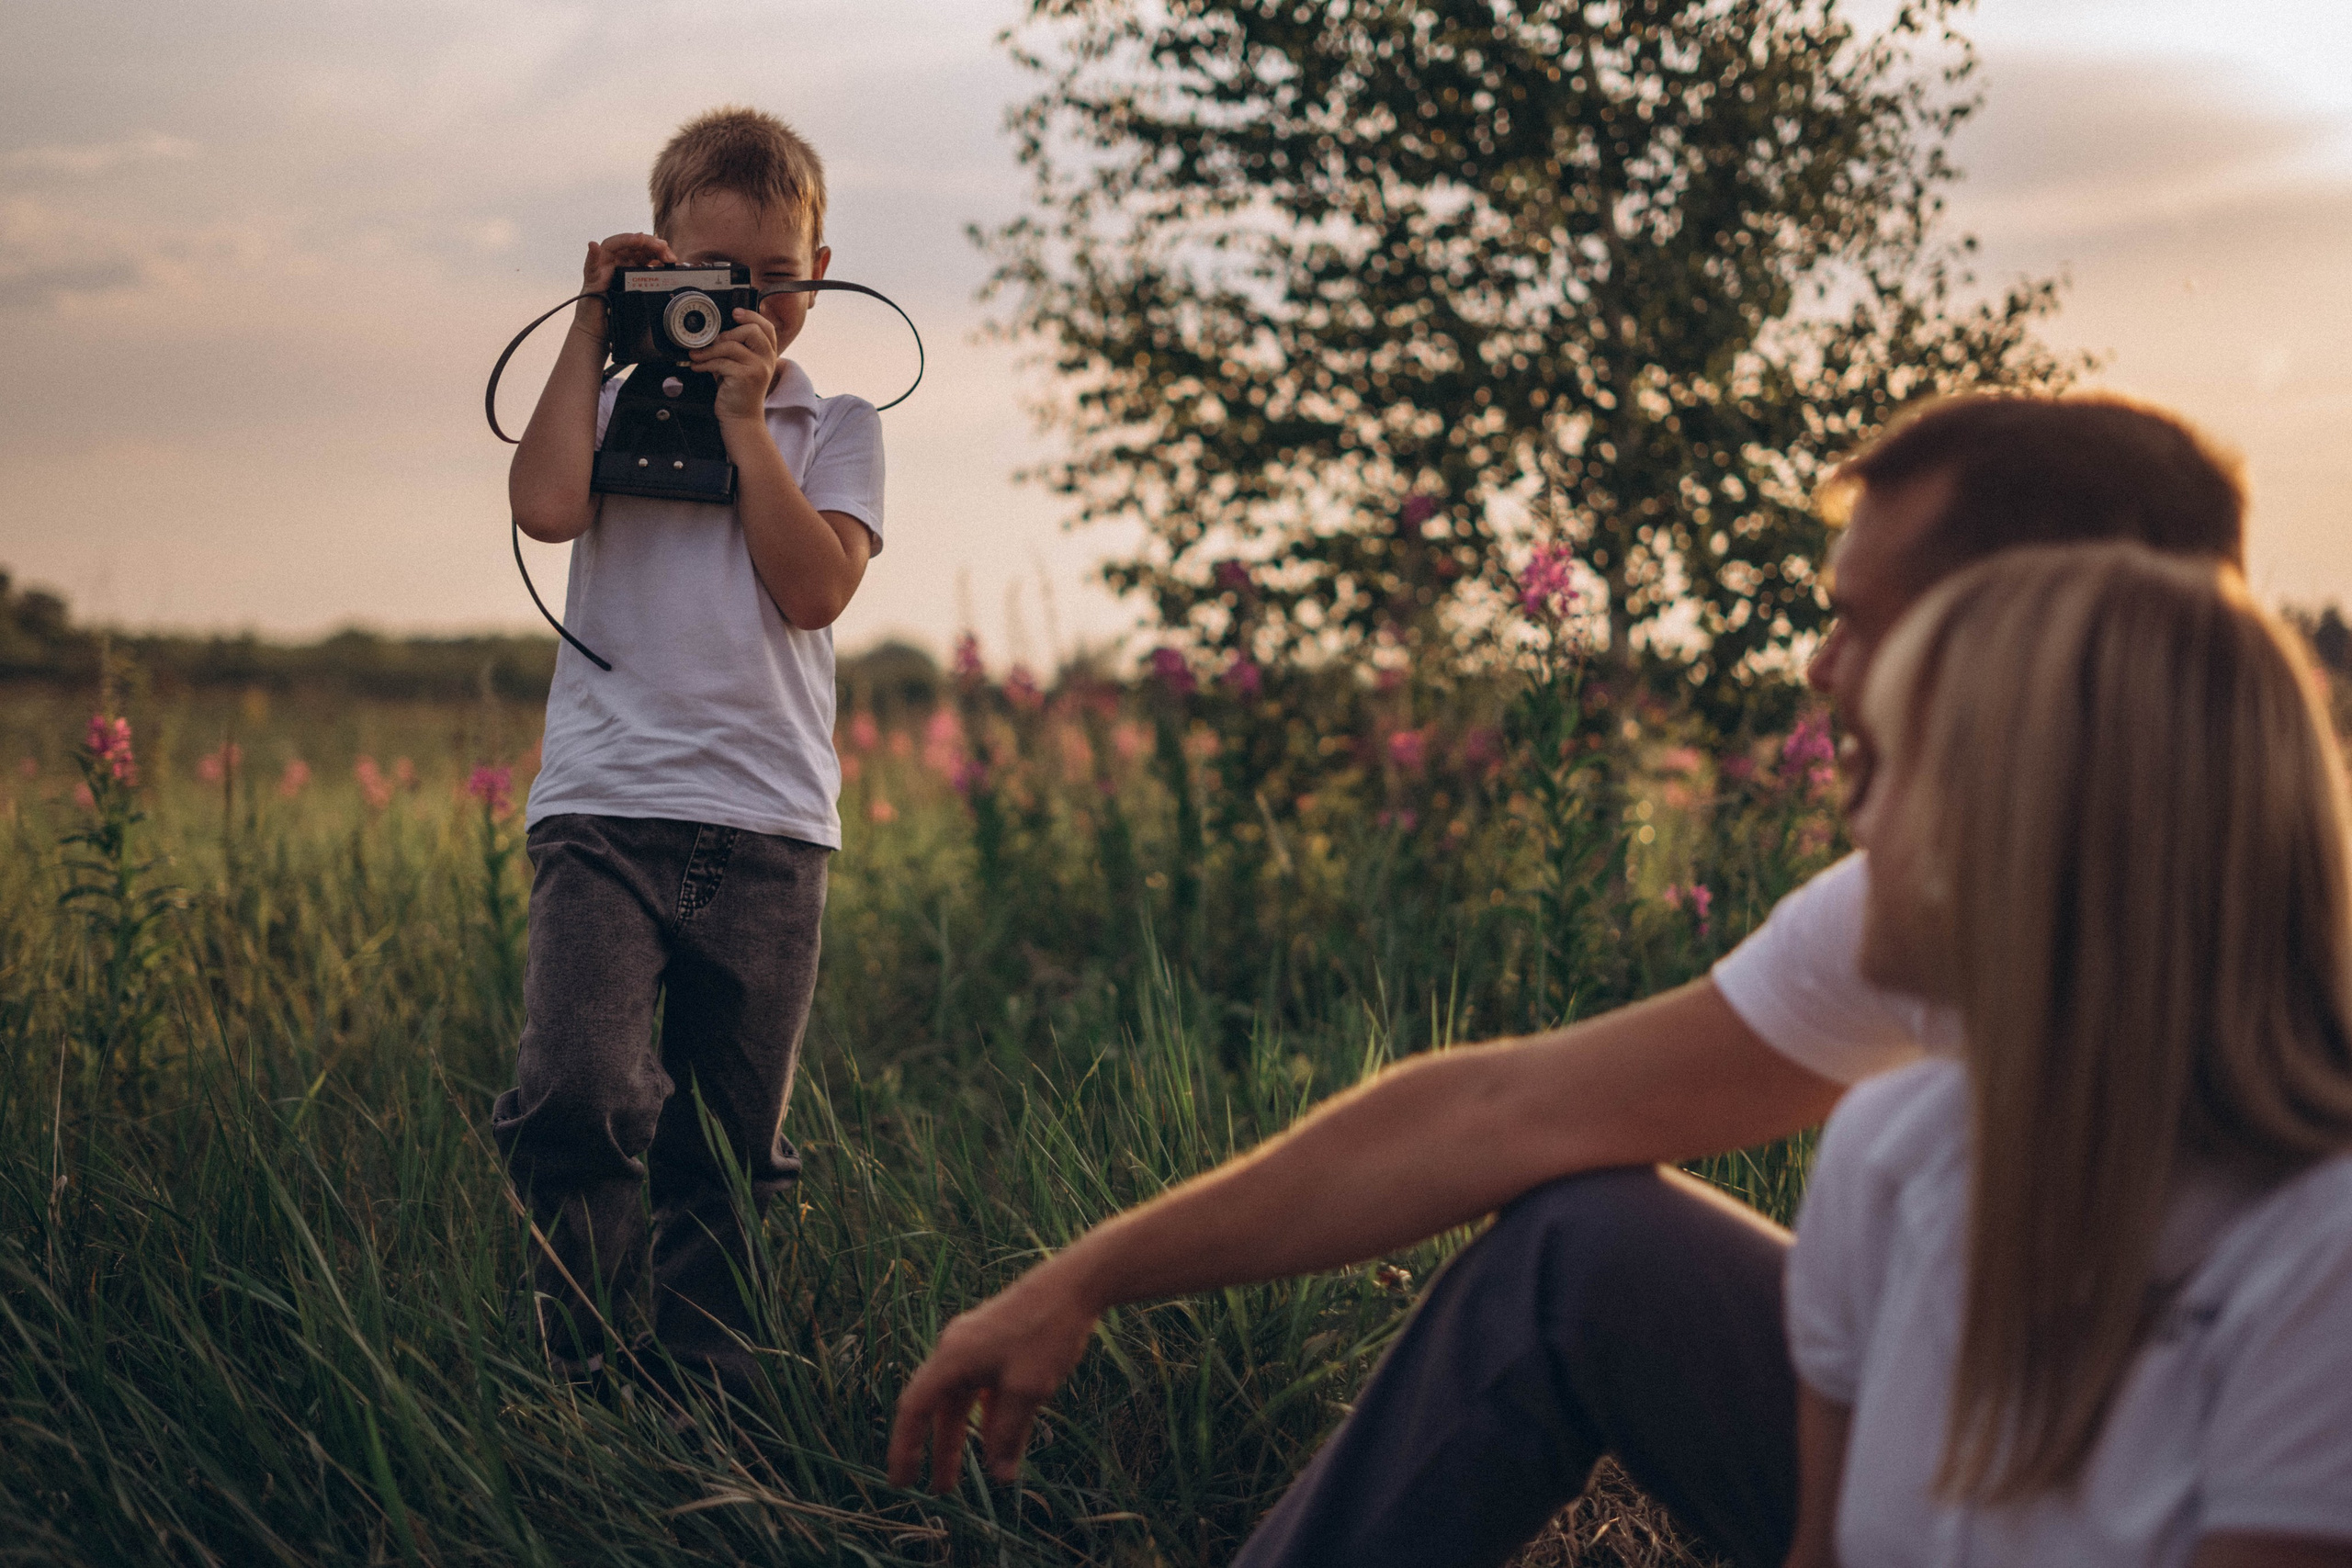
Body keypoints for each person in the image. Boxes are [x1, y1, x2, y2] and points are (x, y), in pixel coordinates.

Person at [887, 394, 2245, 1566]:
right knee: (1587, 1248)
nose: (1821, 669)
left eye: (1860, 624)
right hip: (1977, 1472)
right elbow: (1499, 1115)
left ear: (2038, 640)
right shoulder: (1914, 909)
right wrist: (1084, 1274)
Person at [1784, 543, 2352, 1567]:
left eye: (1884, 769)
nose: (1851, 817)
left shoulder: (2322, 1251)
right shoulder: (1881, 1152)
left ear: (2030, 830)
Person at [492, 106, 884, 1398]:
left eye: (775, 276)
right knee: (576, 1088)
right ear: (662, 264)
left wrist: (746, 421)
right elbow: (546, 506)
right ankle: (584, 1368)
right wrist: (592, 322)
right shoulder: (606, 394)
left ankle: (709, 1393)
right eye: (714, 278)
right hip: (608, 808)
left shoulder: (837, 422)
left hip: (758, 830)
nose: (748, 302)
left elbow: (815, 588)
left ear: (819, 270)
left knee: (726, 1134)